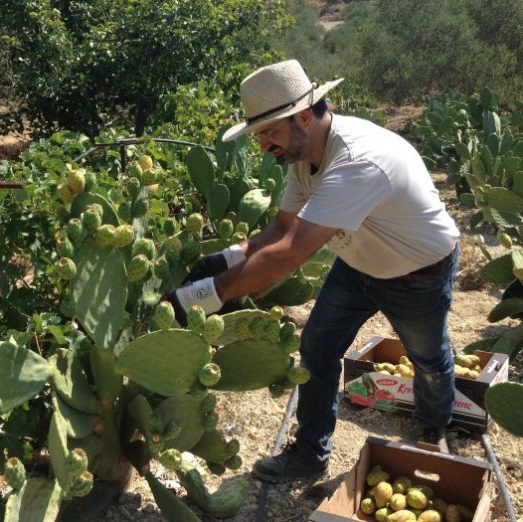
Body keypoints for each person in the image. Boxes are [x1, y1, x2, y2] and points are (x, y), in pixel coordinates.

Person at [165, 59, 460, 482]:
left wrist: (200, 297)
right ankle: (309, 455)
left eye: (269, 132)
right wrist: (220, 260)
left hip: (417, 273)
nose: (263, 145)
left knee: (428, 358)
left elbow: (288, 254)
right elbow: (282, 228)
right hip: (357, 264)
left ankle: (433, 423)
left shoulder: (356, 161)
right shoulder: (302, 153)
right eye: (259, 134)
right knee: (318, 349)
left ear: (304, 117)